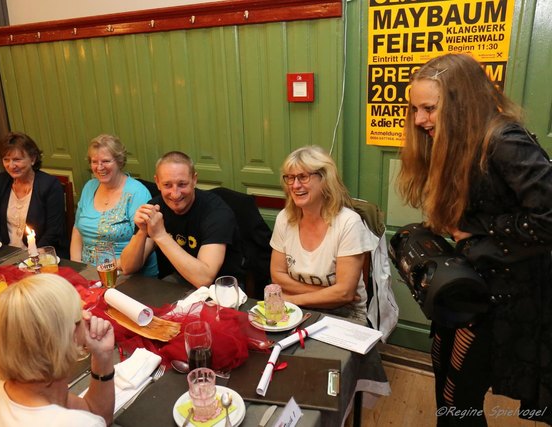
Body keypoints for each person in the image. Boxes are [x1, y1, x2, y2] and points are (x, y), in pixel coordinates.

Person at [397, 53, 552, 425]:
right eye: (415, 109)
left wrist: (482, 229)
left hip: (503, 297)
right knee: (445, 378)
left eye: (429, 109)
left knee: (458, 399)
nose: (418, 120)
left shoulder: (504, 140)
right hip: (472, 285)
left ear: (461, 102)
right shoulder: (460, 139)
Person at [0, 274, 115, 427]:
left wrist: (103, 358)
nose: (87, 316)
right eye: (80, 313)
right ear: (70, 336)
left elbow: (96, 415)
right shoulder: (76, 424)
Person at [269, 146, 376, 323]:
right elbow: (278, 276)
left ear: (325, 179)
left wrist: (292, 299)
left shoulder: (348, 223)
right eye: (290, 178)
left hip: (343, 315)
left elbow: (344, 294)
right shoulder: (285, 218)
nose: (295, 185)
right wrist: (328, 294)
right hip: (296, 310)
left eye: (303, 177)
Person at [121, 151, 245, 287]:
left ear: (194, 180)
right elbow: (127, 267)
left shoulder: (216, 212)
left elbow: (204, 279)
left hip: (222, 288)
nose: (175, 194)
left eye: (182, 184)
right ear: (157, 182)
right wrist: (142, 232)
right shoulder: (155, 208)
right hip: (179, 283)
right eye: (167, 185)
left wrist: (160, 235)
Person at [70, 134, 157, 276]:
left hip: (125, 274)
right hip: (88, 272)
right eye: (94, 162)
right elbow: (77, 229)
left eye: (106, 161)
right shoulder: (89, 187)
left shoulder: (137, 193)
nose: (99, 167)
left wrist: (101, 271)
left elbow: (146, 240)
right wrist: (77, 267)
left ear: (119, 161)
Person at [0, 132, 69, 258]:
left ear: (32, 159)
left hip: (40, 254)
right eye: (6, 159)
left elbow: (54, 231)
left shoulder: (50, 185)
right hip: (6, 254)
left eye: (17, 159)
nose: (11, 166)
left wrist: (33, 255)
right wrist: (0, 255)